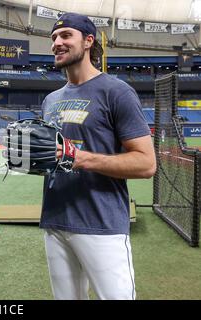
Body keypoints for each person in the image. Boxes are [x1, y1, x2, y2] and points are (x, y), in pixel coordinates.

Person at [40, 12, 156, 300]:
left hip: (101, 225)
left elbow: (146, 163)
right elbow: (52, 157)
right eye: (54, 37)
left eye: (66, 35)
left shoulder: (117, 91)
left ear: (88, 41)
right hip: (55, 221)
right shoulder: (50, 100)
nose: (57, 42)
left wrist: (80, 158)